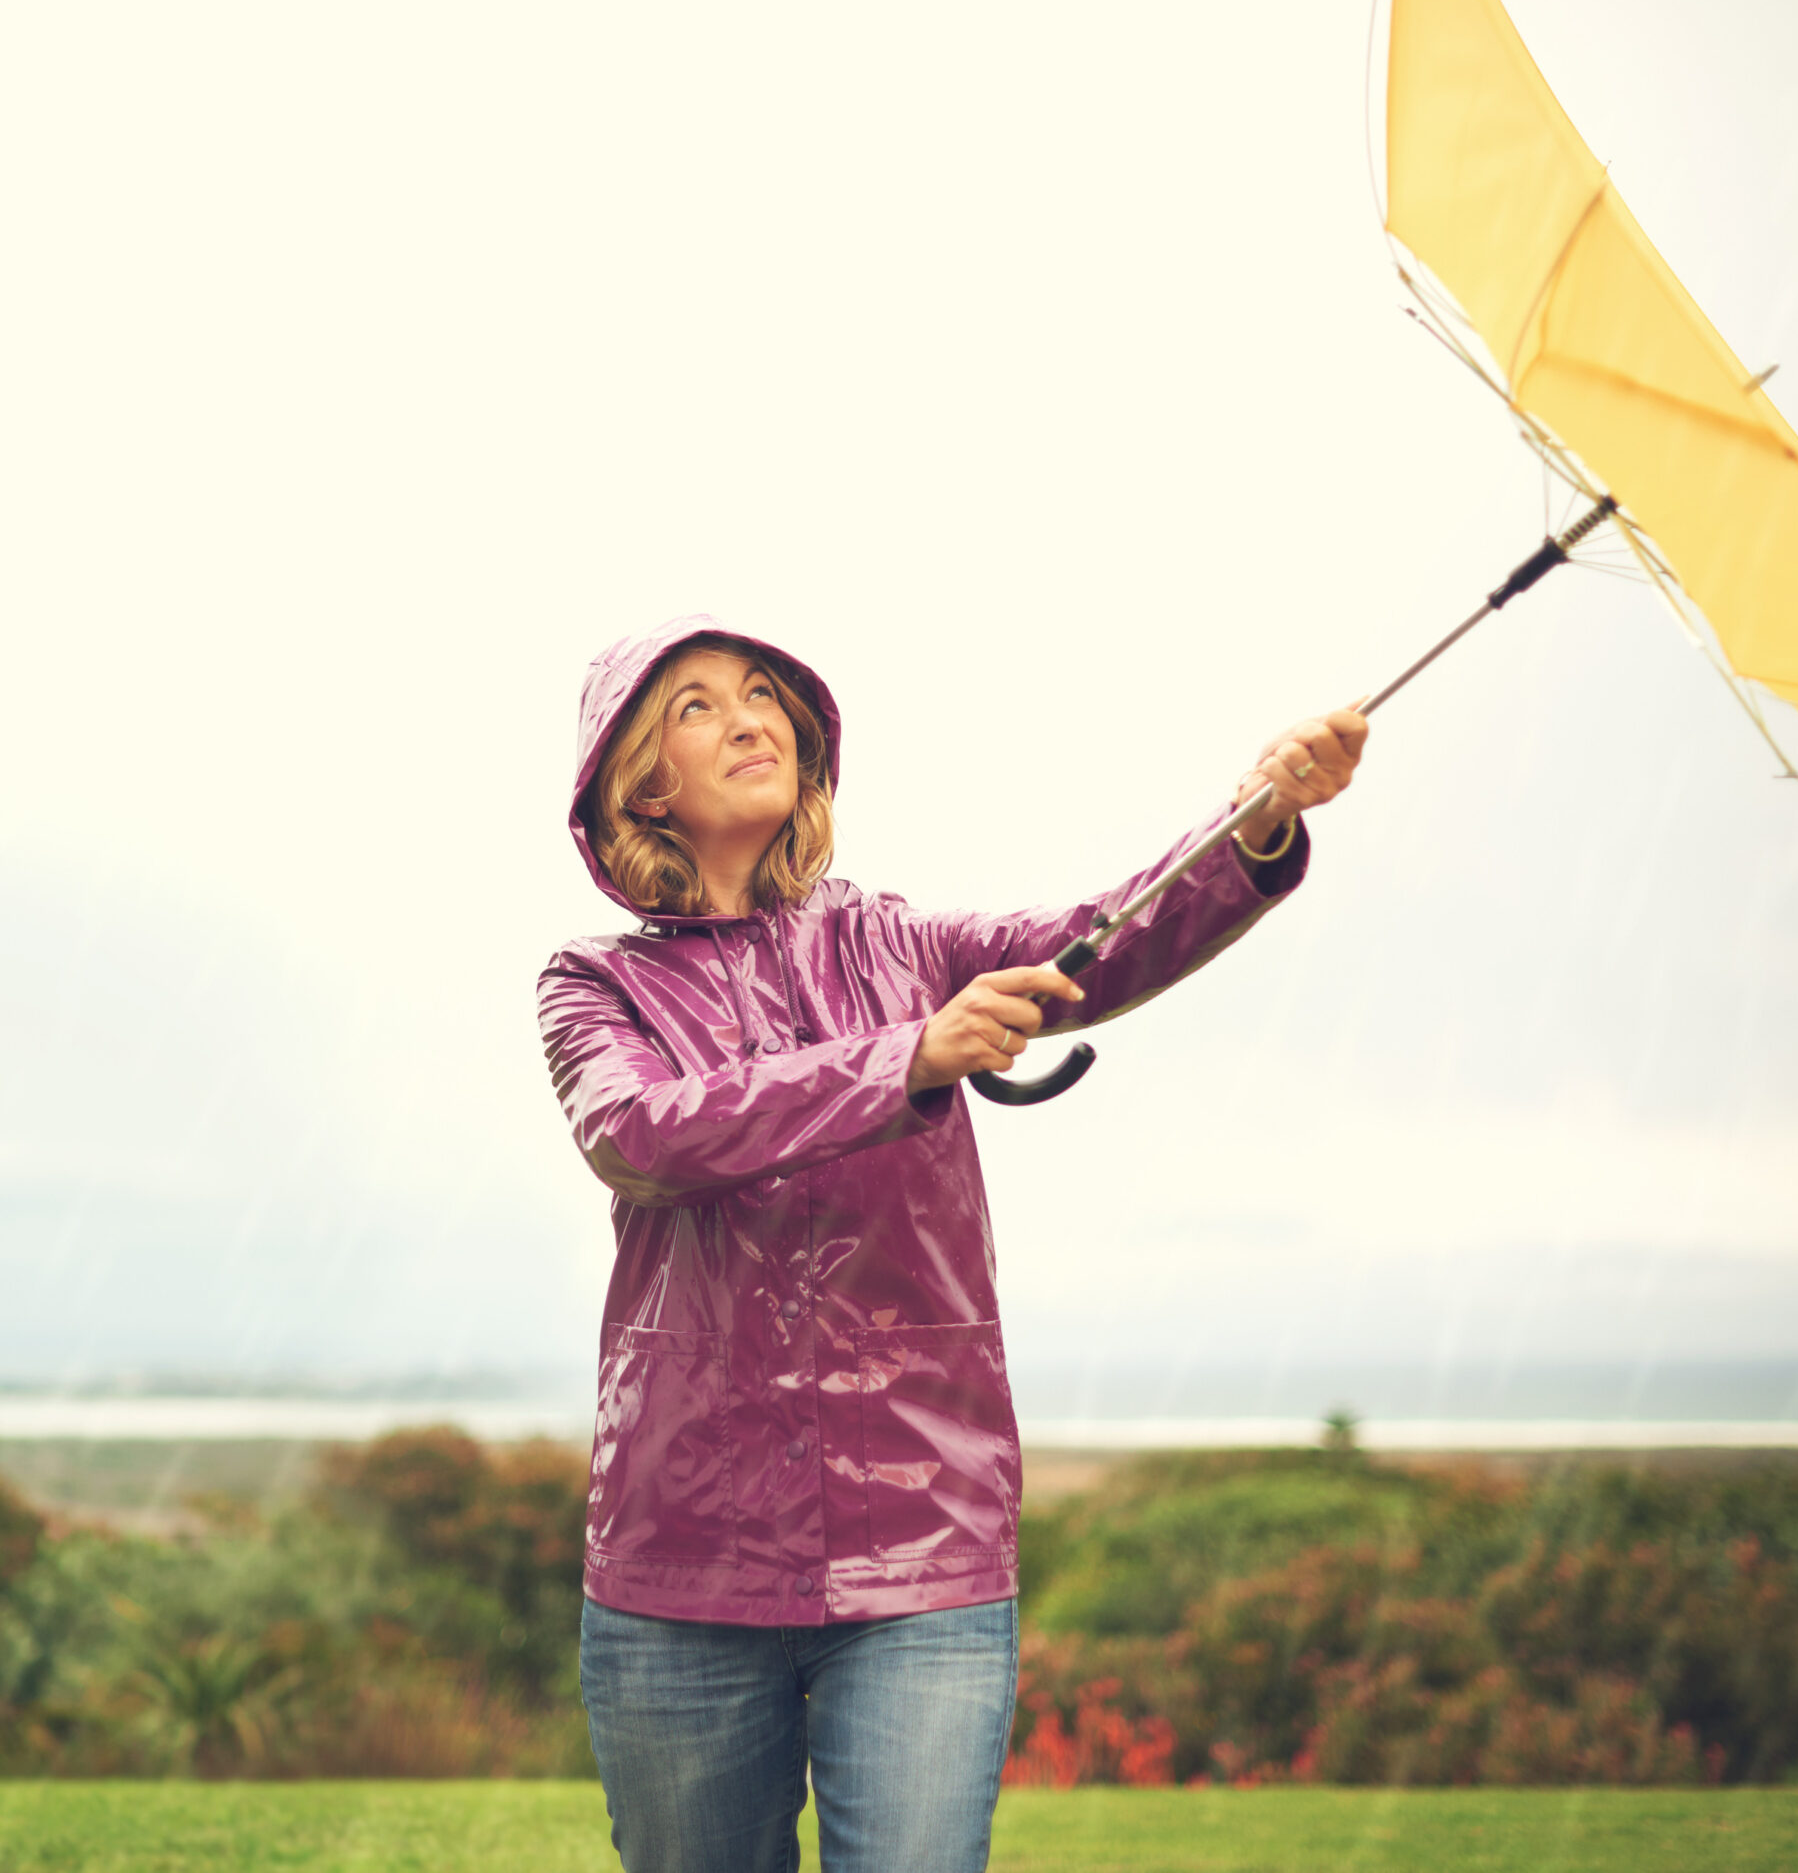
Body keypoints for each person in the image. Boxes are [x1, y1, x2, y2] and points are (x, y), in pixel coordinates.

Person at [537, 617, 1365, 1872]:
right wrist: (906, 1057)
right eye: (698, 707)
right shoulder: (593, 985)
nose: (751, 717)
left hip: (921, 1548)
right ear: (635, 780)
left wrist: (1252, 822)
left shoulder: (906, 946)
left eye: (764, 695)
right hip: (679, 1568)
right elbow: (644, 1132)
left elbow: (1108, 931)